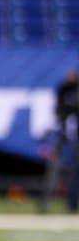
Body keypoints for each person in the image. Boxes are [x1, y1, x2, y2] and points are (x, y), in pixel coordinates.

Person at [39, 69, 79, 213]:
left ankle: (72, 204)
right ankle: (45, 204)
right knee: (53, 171)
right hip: (61, 136)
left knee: (75, 172)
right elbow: (55, 114)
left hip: (74, 137)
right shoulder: (61, 91)